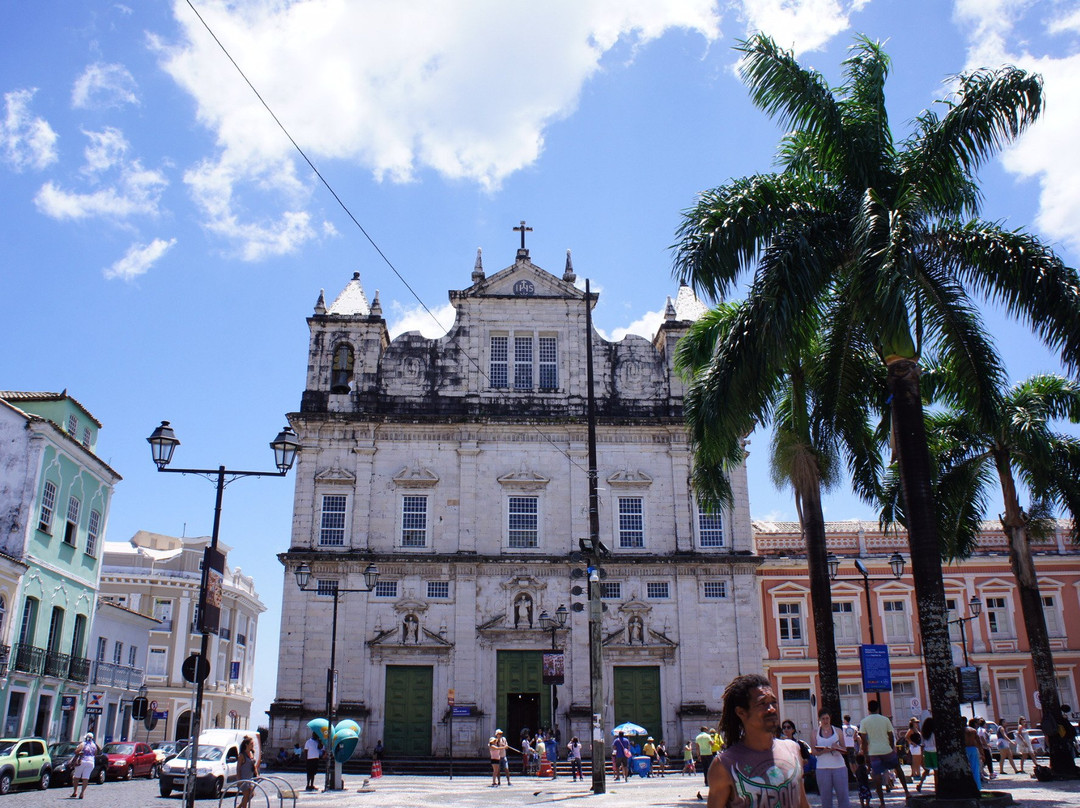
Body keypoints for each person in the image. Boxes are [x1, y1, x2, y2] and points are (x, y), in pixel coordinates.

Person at [708, 673, 809, 808]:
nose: (772, 709)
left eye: (773, 702)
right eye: (763, 703)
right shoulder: (724, 765)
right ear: (741, 712)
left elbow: (802, 803)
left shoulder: (793, 749)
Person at [858, 699, 909, 808]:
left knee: (876, 775)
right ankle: (907, 792)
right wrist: (891, 747)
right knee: (897, 767)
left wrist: (866, 755)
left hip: (873, 751)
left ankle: (882, 802)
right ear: (878, 708)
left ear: (868, 709)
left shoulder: (864, 722)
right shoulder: (885, 720)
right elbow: (890, 735)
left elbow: (864, 741)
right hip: (886, 749)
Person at [813, 710, 850, 808]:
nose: (825, 721)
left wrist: (837, 747)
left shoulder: (838, 731)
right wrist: (824, 751)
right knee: (826, 798)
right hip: (822, 768)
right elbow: (813, 751)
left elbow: (845, 750)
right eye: (823, 719)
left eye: (827, 718)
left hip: (839, 767)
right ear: (819, 719)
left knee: (843, 796)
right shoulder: (815, 732)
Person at [70, 731, 98, 799]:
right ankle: (82, 793)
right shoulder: (94, 745)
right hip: (91, 762)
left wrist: (78, 752)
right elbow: (95, 754)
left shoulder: (83, 744)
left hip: (82, 761)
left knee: (76, 777)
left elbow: (77, 751)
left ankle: (75, 792)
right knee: (86, 778)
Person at [237, 735, 258, 808]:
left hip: (250, 778)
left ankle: (239, 807)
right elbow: (238, 768)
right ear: (246, 745)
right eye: (251, 744)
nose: (253, 745)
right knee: (246, 795)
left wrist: (256, 774)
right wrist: (239, 779)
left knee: (251, 794)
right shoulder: (242, 755)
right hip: (243, 778)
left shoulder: (252, 753)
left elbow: (254, 765)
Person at [916, 717, 936, 792]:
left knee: (927, 770)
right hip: (934, 751)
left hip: (927, 752)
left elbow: (922, 745)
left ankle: (920, 784)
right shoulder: (934, 734)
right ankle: (937, 786)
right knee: (936, 771)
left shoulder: (924, 734)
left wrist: (922, 756)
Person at [964, 718, 982, 791]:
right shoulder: (973, 730)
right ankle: (977, 786)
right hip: (973, 748)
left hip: (965, 749)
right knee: (975, 768)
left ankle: (967, 786)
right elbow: (979, 742)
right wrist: (982, 753)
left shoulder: (961, 731)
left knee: (965, 768)